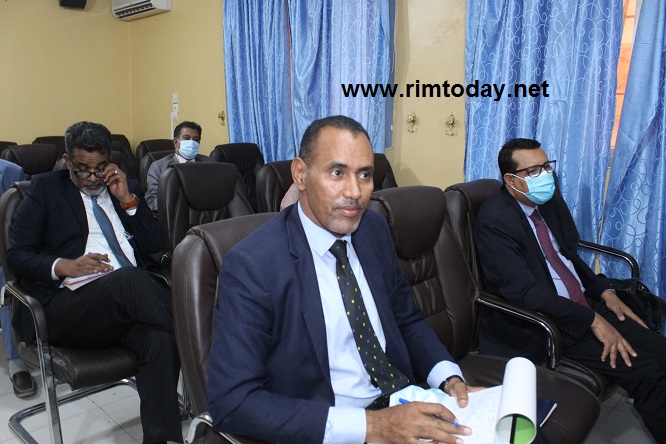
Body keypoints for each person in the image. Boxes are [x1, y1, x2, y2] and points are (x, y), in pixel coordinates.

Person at [207, 115, 478, 444]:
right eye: (337, 173)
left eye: (365, 175)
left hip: (404, 402)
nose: (355, 192)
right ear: (300, 174)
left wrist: (449, 378)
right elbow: (232, 402)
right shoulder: (254, 266)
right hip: (332, 427)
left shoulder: (373, 229)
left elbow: (405, 320)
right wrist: (373, 426)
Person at [475, 137, 666, 443]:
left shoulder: (548, 201)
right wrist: (592, 321)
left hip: (583, 303)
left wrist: (604, 292)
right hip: (550, 322)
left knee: (660, 350)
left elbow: (569, 256)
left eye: (546, 166)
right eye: (533, 171)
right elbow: (525, 293)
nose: (545, 176)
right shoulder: (495, 221)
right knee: (648, 374)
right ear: (510, 180)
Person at [7, 121, 183, 444]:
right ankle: (206, 344)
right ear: (67, 161)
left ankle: (162, 440)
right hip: (69, 307)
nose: (91, 178)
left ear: (109, 160)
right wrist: (64, 265)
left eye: (99, 168)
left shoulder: (124, 186)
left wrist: (128, 200)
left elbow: (156, 244)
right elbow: (16, 256)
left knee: (159, 340)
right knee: (129, 281)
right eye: (82, 170)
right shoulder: (46, 189)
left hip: (131, 306)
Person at [0, 159, 37, 398]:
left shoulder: (10, 172)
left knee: (7, 277)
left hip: (3, 249)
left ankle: (16, 360)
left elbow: (20, 223)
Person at [145, 121, 213, 212]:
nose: (191, 142)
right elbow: (151, 201)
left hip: (207, 213)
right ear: (176, 142)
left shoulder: (209, 163)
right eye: (186, 138)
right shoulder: (158, 167)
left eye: (196, 139)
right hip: (176, 215)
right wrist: (180, 206)